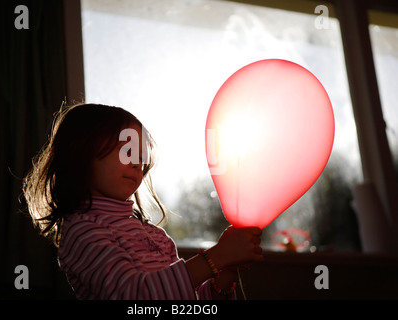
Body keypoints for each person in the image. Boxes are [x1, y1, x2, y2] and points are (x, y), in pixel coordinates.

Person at [22, 103, 263, 300]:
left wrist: (225, 272)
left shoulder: (155, 236)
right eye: (126, 151)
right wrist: (215, 258)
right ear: (81, 155)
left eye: (140, 155)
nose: (138, 163)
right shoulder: (83, 231)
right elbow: (135, 295)